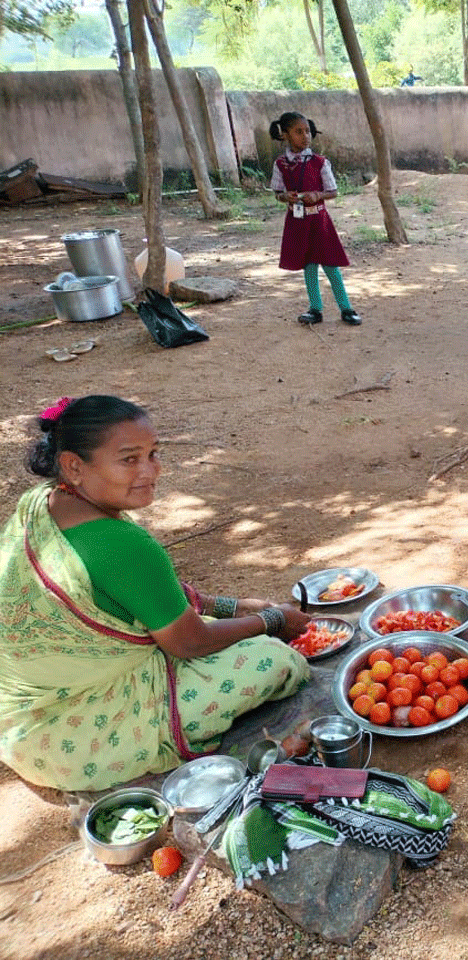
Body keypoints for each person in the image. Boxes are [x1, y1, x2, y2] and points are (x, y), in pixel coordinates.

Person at [0, 396, 312, 792]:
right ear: (74, 466)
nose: (151, 471)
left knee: (225, 625)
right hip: (71, 741)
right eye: (130, 459)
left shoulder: (41, 505)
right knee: (274, 660)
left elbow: (136, 593)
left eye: (154, 453)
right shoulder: (124, 544)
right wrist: (272, 621)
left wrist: (237, 607)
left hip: (15, 725)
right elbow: (189, 642)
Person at [269, 111, 363, 326]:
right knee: (309, 265)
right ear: (284, 135)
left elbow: (333, 191)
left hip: (319, 222)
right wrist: (286, 197)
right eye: (298, 132)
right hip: (298, 222)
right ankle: (315, 309)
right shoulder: (280, 164)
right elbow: (277, 193)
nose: (305, 136)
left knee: (331, 264)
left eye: (308, 131)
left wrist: (318, 195)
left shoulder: (320, 162)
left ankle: (346, 308)